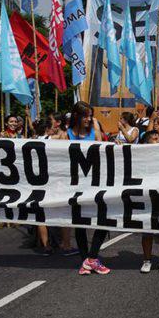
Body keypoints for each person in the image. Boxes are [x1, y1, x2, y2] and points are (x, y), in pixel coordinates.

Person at [52, 101, 111, 275]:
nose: (89, 118)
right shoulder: (66, 135)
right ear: (76, 116)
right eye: (85, 115)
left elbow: (103, 151)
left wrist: (96, 127)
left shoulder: (95, 130)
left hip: (95, 183)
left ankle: (91, 258)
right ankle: (87, 260)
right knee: (80, 223)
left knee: (104, 219)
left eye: (90, 115)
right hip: (75, 185)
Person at [138, 131, 159, 272]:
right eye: (154, 138)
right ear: (146, 143)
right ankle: (147, 260)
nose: (158, 140)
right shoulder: (139, 156)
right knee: (146, 230)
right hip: (146, 196)